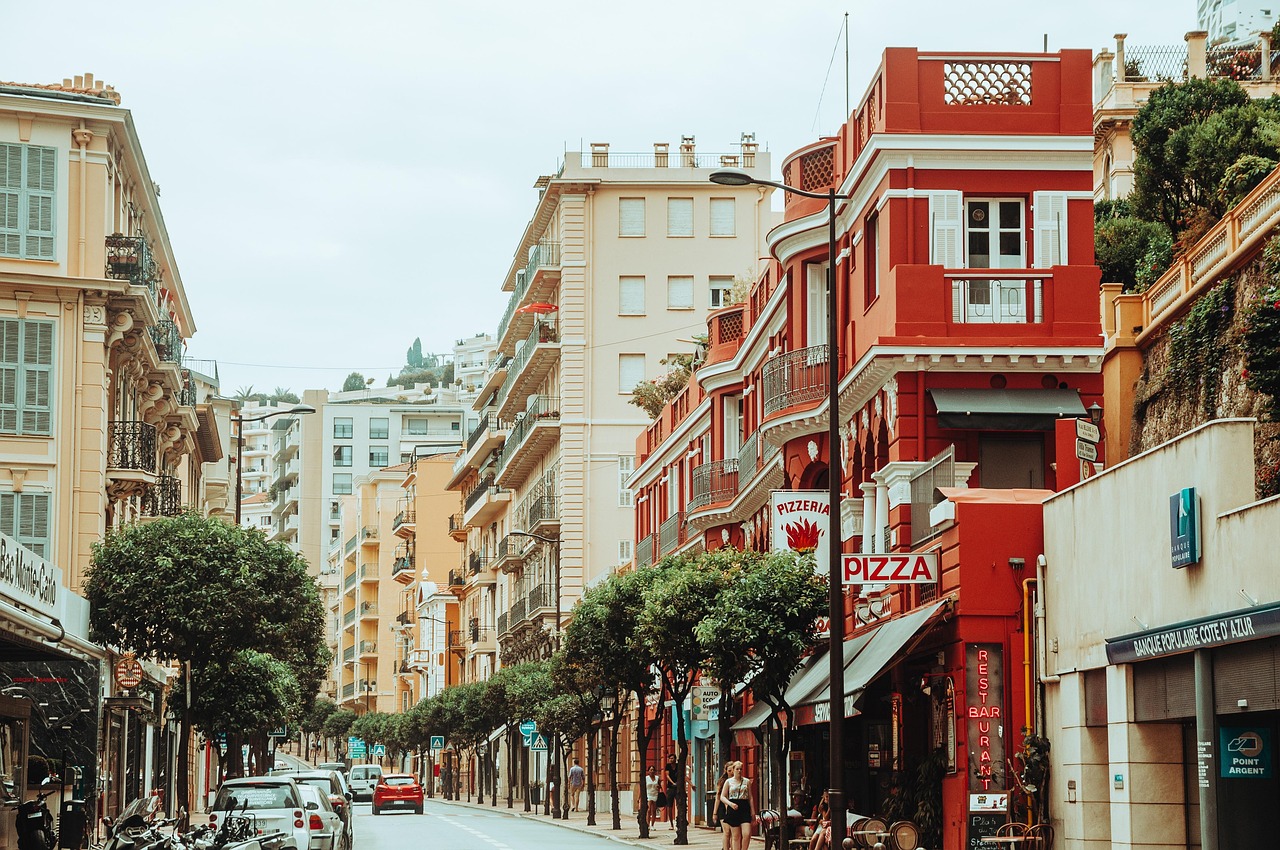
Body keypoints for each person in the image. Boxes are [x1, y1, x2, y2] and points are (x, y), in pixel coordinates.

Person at [719, 761, 754, 850]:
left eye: (741, 769)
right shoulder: (728, 782)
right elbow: (722, 797)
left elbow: (750, 797)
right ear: (733, 770)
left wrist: (753, 811)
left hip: (744, 807)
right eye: (737, 769)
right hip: (733, 807)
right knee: (736, 836)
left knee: (747, 833)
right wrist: (730, 804)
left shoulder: (747, 781)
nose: (739, 771)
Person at [663, 754, 679, 829]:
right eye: (670, 758)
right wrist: (673, 783)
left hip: (678, 788)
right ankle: (671, 824)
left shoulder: (678, 766)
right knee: (669, 806)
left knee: (679, 805)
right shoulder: (668, 766)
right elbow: (667, 776)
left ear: (675, 759)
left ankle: (679, 821)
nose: (671, 760)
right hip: (670, 788)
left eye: (673, 758)